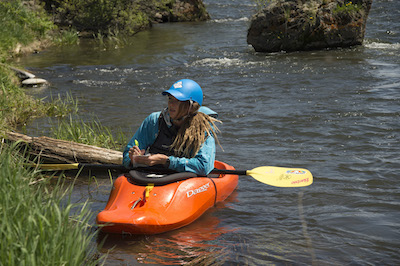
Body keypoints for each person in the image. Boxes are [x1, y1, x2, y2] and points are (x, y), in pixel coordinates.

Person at [122, 79, 221, 176]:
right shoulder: (154, 121)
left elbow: (204, 166)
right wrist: (133, 158)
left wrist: (166, 161)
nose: (171, 104)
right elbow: (126, 156)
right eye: (170, 99)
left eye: (177, 101)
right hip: (155, 176)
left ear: (190, 106)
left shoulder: (202, 127)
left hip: (185, 180)